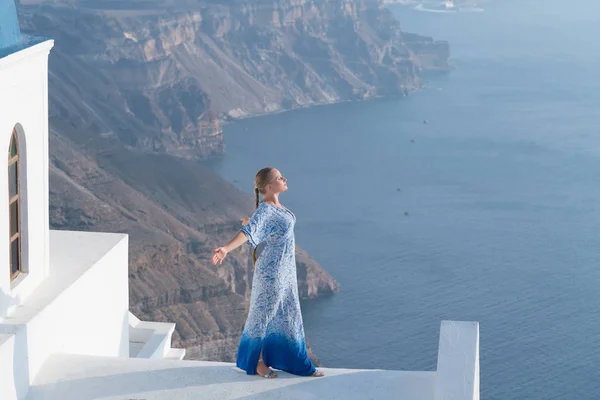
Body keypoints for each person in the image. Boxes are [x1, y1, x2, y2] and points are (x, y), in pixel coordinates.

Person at [212, 167, 324, 379]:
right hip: (272, 272)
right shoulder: (265, 209)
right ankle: (255, 362)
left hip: (285, 271)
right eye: (280, 177)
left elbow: (257, 227)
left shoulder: (275, 207)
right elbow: (248, 233)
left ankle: (297, 364)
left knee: (288, 315)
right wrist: (226, 248)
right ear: (269, 186)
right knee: (262, 315)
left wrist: (251, 223)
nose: (285, 178)